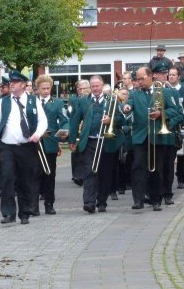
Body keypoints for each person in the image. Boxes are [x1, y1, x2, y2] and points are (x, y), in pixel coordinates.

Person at [123, 66, 184, 211]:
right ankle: (138, 200)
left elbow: (174, 110)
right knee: (138, 167)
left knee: (157, 169)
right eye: (137, 79)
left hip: (157, 136)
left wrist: (161, 113)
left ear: (150, 77)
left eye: (141, 78)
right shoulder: (134, 94)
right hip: (140, 136)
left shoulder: (163, 92)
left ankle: (156, 199)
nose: (139, 82)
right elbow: (129, 104)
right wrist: (126, 107)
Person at [0, 70, 48, 225]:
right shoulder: (4, 101)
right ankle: (8, 213)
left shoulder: (32, 100)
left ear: (23, 85)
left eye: (15, 82)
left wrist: (37, 134)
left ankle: (24, 213)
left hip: (26, 147)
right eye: (11, 82)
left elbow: (43, 121)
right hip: (7, 147)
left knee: (25, 180)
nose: (12, 84)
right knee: (7, 179)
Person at [69, 75, 123, 214]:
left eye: (97, 86)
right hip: (90, 141)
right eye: (92, 86)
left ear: (102, 85)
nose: (95, 89)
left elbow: (120, 118)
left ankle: (102, 202)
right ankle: (89, 202)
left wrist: (111, 119)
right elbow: (75, 121)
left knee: (105, 173)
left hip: (106, 141)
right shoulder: (83, 101)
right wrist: (72, 140)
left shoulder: (111, 100)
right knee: (89, 172)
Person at [30, 75, 68, 215]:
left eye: (48, 88)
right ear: (38, 89)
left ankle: (49, 203)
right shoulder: (32, 102)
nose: (46, 91)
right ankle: (34, 206)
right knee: (34, 175)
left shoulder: (57, 103)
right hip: (35, 142)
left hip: (50, 141)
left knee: (50, 175)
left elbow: (64, 120)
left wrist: (65, 130)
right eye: (43, 88)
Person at [151, 63, 184, 205]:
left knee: (168, 167)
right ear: (153, 75)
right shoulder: (148, 92)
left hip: (168, 135)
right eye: (160, 73)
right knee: (156, 168)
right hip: (152, 136)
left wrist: (166, 119)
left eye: (165, 73)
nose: (164, 76)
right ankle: (155, 194)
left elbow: (179, 113)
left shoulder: (172, 92)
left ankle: (168, 193)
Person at [69, 79, 91, 187]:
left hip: (89, 132)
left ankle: (84, 175)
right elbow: (73, 117)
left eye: (84, 89)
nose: (82, 91)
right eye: (80, 89)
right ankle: (78, 175)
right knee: (77, 154)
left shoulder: (92, 99)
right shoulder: (74, 100)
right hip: (79, 130)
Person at [0, 77, 11, 198]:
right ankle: (1, 186)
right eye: (1, 87)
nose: (1, 89)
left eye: (4, 87)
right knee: (0, 165)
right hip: (2, 137)